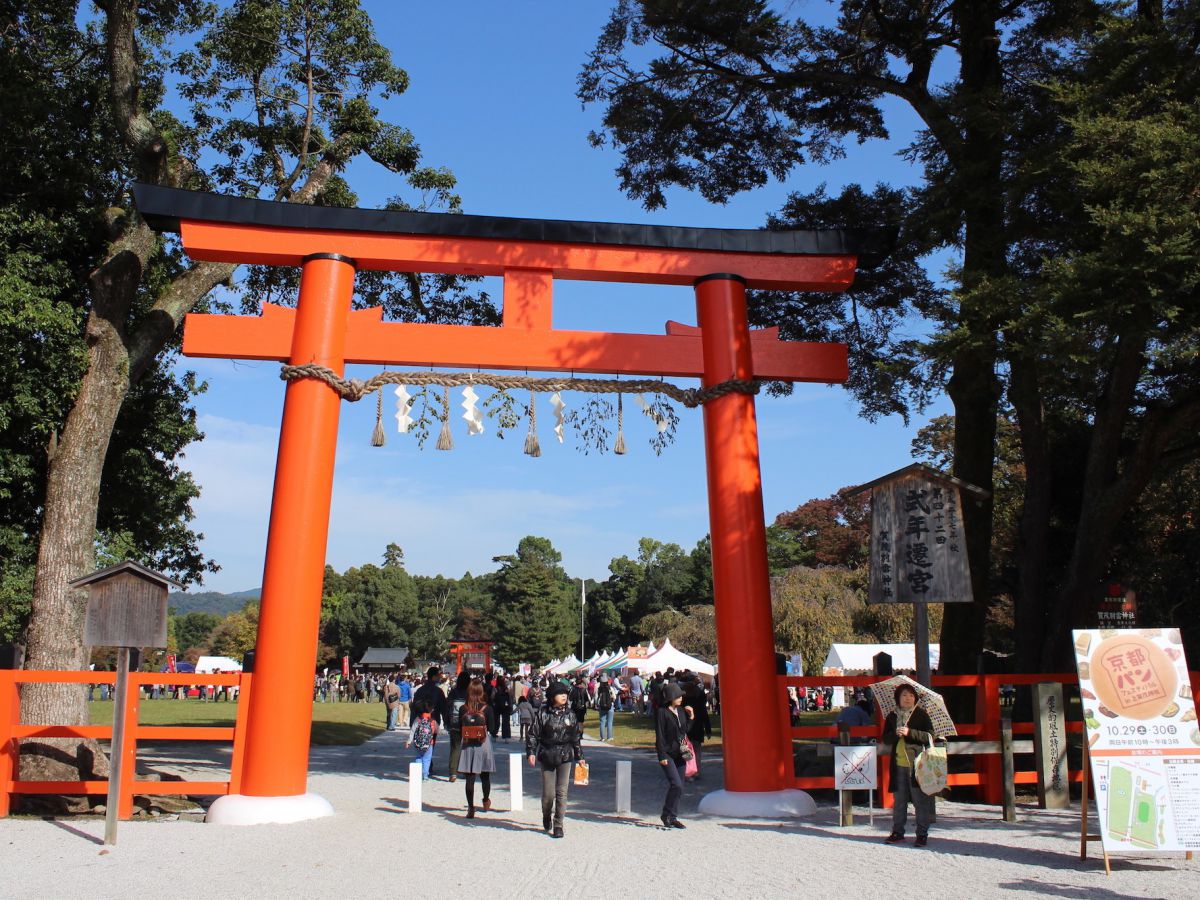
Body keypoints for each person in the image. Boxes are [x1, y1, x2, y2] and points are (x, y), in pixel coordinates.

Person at [882, 684, 937, 847]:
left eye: (911, 696)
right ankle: (897, 832)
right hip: (898, 763)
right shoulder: (892, 716)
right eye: (904, 695)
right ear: (898, 698)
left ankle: (922, 834)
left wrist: (909, 732)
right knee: (899, 801)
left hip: (917, 764)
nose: (908, 698)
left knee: (920, 801)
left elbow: (929, 736)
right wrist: (895, 734)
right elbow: (885, 739)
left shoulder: (921, 715)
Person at [527, 681, 583, 838]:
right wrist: (531, 752)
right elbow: (533, 734)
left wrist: (580, 757)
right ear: (552, 696)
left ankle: (559, 824)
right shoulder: (543, 713)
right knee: (548, 795)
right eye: (560, 693)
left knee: (562, 792)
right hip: (547, 754)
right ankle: (546, 814)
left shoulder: (571, 714)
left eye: (565, 693)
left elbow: (575, 737)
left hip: (565, 755)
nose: (564, 696)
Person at [655, 682, 693, 829]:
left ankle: (673, 816)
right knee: (675, 783)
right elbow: (660, 735)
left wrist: (691, 717)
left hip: (681, 752)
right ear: (671, 697)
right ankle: (666, 813)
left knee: (680, 786)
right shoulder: (662, 712)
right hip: (668, 753)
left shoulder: (682, 711)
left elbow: (685, 730)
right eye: (678, 696)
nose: (681, 698)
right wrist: (661, 756)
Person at [457, 679, 496, 818]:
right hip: (483, 743)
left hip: (468, 743)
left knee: (470, 778)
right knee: (485, 776)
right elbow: (492, 728)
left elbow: (459, 726)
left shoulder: (463, 708)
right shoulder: (487, 708)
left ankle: (471, 807)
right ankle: (486, 800)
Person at [446, 671, 472, 782]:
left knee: (455, 747)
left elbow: (448, 707)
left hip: (454, 721)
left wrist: (447, 721)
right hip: (468, 722)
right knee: (468, 746)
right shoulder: (470, 693)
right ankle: (467, 770)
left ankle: (453, 772)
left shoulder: (453, 692)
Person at [682, 677, 711, 780]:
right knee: (697, 751)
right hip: (697, 729)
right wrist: (708, 730)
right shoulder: (699, 703)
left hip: (686, 730)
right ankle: (697, 770)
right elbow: (705, 717)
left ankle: (688, 771)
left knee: (687, 751)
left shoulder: (682, 703)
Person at [406, 700, 439, 780]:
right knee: (427, 759)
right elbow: (436, 731)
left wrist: (409, 741)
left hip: (418, 743)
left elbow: (413, 730)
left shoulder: (418, 719)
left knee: (419, 757)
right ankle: (425, 774)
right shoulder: (432, 720)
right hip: (429, 743)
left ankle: (417, 773)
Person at [594, 674, 616, 742]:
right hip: (610, 707)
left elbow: (596, 698)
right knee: (609, 722)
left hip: (602, 707)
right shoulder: (610, 688)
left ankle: (602, 737)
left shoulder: (599, 689)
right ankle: (609, 737)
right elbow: (614, 697)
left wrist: (597, 705)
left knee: (602, 722)